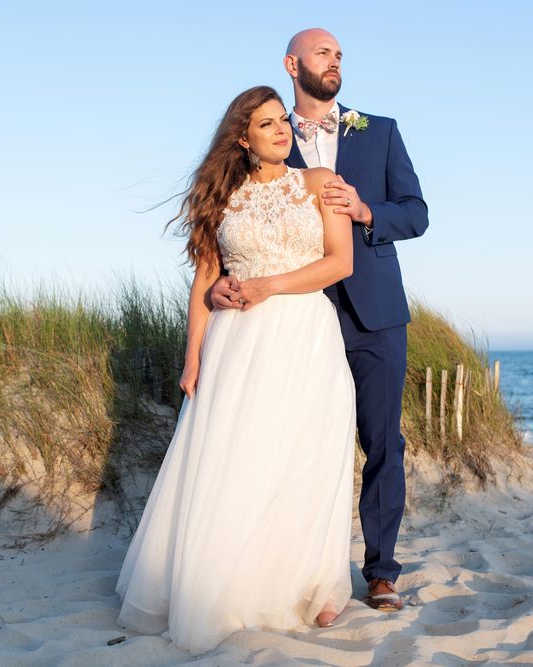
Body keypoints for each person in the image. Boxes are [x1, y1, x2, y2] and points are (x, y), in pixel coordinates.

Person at [116, 85, 358, 655]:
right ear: (243, 139)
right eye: (266, 124)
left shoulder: (319, 184)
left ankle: (311, 584)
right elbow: (204, 281)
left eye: (282, 121)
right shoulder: (221, 199)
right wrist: (193, 354)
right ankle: (227, 587)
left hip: (304, 335)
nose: (280, 130)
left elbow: (339, 263)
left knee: (305, 457)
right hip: (237, 342)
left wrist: (268, 285)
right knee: (237, 458)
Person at [212, 28, 428, 612]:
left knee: (383, 441)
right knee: (300, 444)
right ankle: (298, 571)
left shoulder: (380, 131)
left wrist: (364, 210)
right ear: (292, 64)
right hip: (300, 318)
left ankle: (381, 572)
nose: (335, 62)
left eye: (340, 55)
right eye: (323, 53)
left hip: (376, 314)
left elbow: (417, 213)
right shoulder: (273, 138)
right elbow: (238, 231)